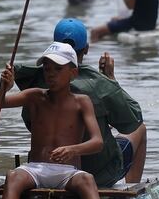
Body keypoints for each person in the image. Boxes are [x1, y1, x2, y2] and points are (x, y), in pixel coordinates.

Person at [11, 19, 147, 188]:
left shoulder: (36, 82)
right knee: (140, 129)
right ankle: (131, 188)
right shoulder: (99, 84)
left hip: (43, 170)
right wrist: (111, 80)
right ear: (87, 49)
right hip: (96, 174)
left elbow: (31, 124)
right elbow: (132, 122)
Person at [0, 43, 104, 199]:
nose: (51, 74)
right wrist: (4, 87)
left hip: (68, 172)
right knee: (13, 176)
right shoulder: (35, 96)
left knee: (87, 179)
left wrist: (73, 150)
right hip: (35, 169)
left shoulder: (82, 102)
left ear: (73, 73)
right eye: (47, 69)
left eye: (58, 69)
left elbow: (97, 142)